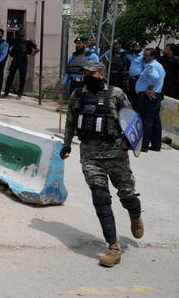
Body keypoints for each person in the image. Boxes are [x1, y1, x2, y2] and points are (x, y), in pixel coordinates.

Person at [60, 61, 144, 267]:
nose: (87, 76)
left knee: (127, 195)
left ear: (102, 74)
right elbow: (71, 121)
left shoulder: (116, 94)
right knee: (100, 198)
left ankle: (135, 215)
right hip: (89, 155)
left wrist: (128, 142)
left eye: (92, 73)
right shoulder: (77, 95)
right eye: (85, 73)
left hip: (116, 154)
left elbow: (132, 120)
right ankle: (114, 247)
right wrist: (67, 144)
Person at [135, 48, 165, 152]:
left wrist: (148, 89)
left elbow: (155, 77)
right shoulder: (159, 65)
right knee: (155, 120)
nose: (144, 57)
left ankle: (143, 145)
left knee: (145, 120)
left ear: (153, 56)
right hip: (156, 95)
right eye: (144, 54)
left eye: (147, 55)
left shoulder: (150, 66)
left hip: (148, 96)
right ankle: (156, 145)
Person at [3, 30, 40, 99]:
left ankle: (19, 94)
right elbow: (7, 46)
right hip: (16, 59)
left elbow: (37, 49)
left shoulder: (28, 42)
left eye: (22, 35)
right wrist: (9, 53)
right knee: (10, 76)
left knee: (22, 77)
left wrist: (32, 55)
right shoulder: (15, 40)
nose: (21, 36)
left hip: (23, 60)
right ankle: (6, 92)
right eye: (20, 34)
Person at [126, 42, 144, 107]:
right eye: (134, 47)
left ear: (141, 48)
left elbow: (145, 68)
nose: (135, 48)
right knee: (132, 96)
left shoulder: (143, 56)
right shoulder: (134, 55)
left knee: (137, 97)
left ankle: (138, 113)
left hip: (138, 79)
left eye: (137, 47)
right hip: (131, 79)